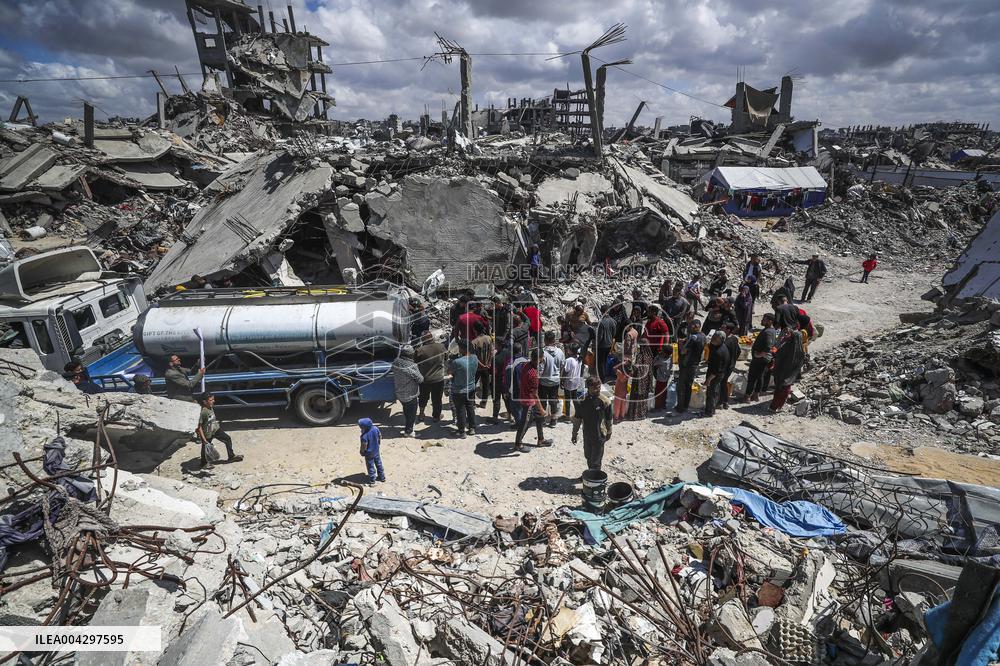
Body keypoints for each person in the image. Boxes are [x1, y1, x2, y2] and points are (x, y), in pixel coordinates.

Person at [514, 349, 552, 451]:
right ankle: (518, 444)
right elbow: (535, 395)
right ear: (539, 359)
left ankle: (541, 439)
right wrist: (542, 409)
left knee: (539, 417)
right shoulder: (534, 374)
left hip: (525, 396)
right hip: (528, 400)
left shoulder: (526, 365)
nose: (543, 359)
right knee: (525, 421)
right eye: (542, 357)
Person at [572, 375, 613, 471]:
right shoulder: (582, 401)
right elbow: (577, 419)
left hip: (599, 436)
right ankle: (590, 475)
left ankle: (595, 480)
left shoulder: (605, 401)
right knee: (588, 456)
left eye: (599, 387)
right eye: (594, 388)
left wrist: (609, 432)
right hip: (587, 435)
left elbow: (609, 418)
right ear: (588, 387)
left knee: (596, 460)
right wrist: (574, 434)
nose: (597, 390)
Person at [196, 394, 242, 468]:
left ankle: (231, 456)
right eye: (211, 400)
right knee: (206, 447)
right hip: (207, 433)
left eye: (213, 399)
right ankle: (203, 464)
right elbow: (199, 427)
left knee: (227, 438)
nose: (214, 401)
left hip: (216, 429)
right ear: (204, 402)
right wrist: (203, 439)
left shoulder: (210, 407)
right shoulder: (203, 412)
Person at [769, 326, 805, 412]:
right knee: (784, 391)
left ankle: (774, 406)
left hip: (781, 372)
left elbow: (777, 355)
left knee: (779, 390)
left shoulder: (786, 346)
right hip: (790, 375)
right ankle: (776, 407)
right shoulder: (800, 350)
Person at [674, 319, 706, 414]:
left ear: (696, 326)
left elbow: (684, 351)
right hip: (694, 364)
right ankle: (685, 406)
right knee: (688, 385)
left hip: (686, 364)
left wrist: (680, 345)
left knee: (681, 386)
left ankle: (680, 407)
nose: (689, 328)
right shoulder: (703, 336)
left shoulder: (694, 337)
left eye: (691, 326)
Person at [415, 333, 447, 423]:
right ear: (432, 338)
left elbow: (415, 363)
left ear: (422, 340)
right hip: (438, 379)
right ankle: (436, 417)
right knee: (437, 398)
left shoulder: (419, 350)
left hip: (424, 379)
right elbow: (446, 358)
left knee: (423, 397)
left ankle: (421, 415)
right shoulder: (441, 346)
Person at [392, 345, 423, 436]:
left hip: (400, 393)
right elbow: (420, 379)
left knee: (406, 410)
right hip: (410, 395)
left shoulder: (395, 362)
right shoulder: (412, 365)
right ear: (410, 355)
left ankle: (409, 426)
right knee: (411, 414)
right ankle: (408, 432)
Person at [449, 341, 479, 436]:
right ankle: (472, 428)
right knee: (470, 407)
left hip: (459, 390)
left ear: (463, 349)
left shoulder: (457, 362)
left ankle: (461, 431)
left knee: (460, 410)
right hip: (471, 387)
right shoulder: (475, 358)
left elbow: (449, 372)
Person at [745, 313, 777, 401]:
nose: (762, 320)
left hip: (760, 359)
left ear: (770, 321)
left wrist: (759, 354)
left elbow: (768, 346)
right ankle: (755, 395)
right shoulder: (769, 330)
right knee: (759, 377)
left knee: (752, 377)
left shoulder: (768, 332)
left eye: (764, 319)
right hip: (763, 358)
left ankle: (747, 396)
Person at [702, 331, 731, 417]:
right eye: (714, 336)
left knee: (710, 393)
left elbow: (715, 371)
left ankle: (709, 412)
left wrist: (708, 380)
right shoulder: (720, 346)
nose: (713, 338)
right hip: (719, 374)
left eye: (716, 337)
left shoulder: (719, 352)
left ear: (721, 339)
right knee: (714, 392)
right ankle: (712, 409)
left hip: (715, 375)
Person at [539, 331, 564, 426]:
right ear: (554, 340)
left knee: (543, 400)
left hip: (544, 382)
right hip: (555, 381)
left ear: (545, 340)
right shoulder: (560, 352)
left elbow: (540, 369)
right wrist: (560, 379)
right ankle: (553, 420)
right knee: (553, 400)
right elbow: (562, 366)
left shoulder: (543, 353)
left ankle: (542, 419)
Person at [627, 336, 654, 421]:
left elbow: (636, 368)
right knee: (643, 397)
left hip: (638, 381)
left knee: (636, 397)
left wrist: (630, 364)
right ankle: (642, 414)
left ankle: (634, 415)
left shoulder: (640, 356)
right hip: (646, 381)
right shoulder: (650, 356)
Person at [470, 324, 494, 407]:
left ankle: (472, 402)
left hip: (477, 368)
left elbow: (474, 357)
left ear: (476, 331)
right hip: (487, 366)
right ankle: (484, 403)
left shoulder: (474, 342)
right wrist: (489, 363)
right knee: (485, 385)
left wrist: (482, 365)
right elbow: (491, 351)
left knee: (472, 385)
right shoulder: (489, 338)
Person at [561, 342, 585, 421]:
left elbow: (565, 371)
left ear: (571, 351)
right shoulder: (579, 358)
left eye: (568, 349)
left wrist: (562, 380)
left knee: (567, 399)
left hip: (569, 382)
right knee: (575, 398)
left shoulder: (569, 360)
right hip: (576, 381)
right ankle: (578, 413)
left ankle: (567, 416)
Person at [721, 322, 741, 409]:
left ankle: (724, 401)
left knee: (723, 383)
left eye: (723, 328)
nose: (721, 329)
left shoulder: (726, 342)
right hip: (731, 365)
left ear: (728, 330)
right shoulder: (735, 339)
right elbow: (739, 351)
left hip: (726, 366)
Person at [358, 418, 385, 484]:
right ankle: (382, 477)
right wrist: (378, 444)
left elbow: (364, 446)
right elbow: (380, 436)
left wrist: (362, 452)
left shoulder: (364, 436)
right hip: (376, 450)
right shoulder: (376, 428)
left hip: (369, 453)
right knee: (379, 463)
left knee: (370, 466)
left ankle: (372, 480)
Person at [596, 310, 617, 383]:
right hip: (609, 345)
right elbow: (614, 333)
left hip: (602, 345)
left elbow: (600, 336)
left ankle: (602, 378)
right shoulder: (613, 321)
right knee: (605, 361)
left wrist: (596, 345)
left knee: (600, 362)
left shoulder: (601, 322)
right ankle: (604, 375)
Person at [652, 344, 673, 411]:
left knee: (658, 393)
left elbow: (654, 363)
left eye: (662, 351)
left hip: (660, 379)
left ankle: (657, 407)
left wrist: (658, 356)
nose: (661, 351)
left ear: (665, 353)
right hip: (666, 378)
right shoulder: (670, 358)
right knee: (664, 392)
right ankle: (663, 405)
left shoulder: (661, 360)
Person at [612, 360, 630, 424]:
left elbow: (614, 368)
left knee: (617, 405)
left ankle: (616, 418)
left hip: (618, 391)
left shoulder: (619, 373)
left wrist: (621, 363)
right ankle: (622, 416)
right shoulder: (628, 374)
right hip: (624, 391)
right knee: (623, 404)